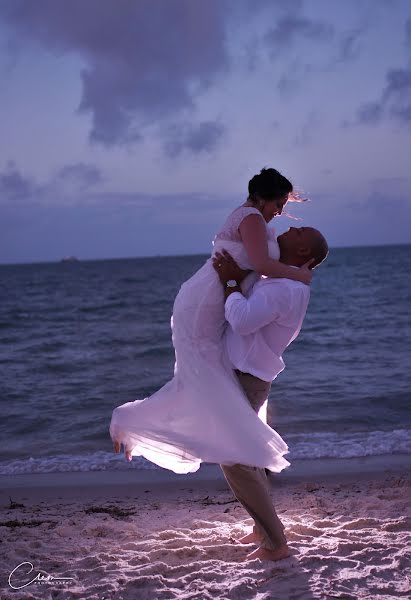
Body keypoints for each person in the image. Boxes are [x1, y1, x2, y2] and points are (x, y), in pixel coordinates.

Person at [110, 168, 312, 475]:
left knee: (203, 380)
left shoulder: (256, 220)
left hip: (213, 299)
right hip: (204, 302)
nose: (281, 211)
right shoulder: (252, 218)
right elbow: (261, 264)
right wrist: (301, 275)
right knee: (201, 379)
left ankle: (242, 454)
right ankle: (128, 423)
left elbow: (257, 268)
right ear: (262, 197)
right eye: (279, 203)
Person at [211, 226, 328, 561]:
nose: (289, 228)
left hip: (247, 378)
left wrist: (230, 283)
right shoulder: (288, 282)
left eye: (299, 231)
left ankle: (276, 543)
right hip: (250, 375)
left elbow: (243, 321)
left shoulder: (284, 289)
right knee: (246, 455)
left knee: (233, 457)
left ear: (303, 252)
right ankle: (263, 530)